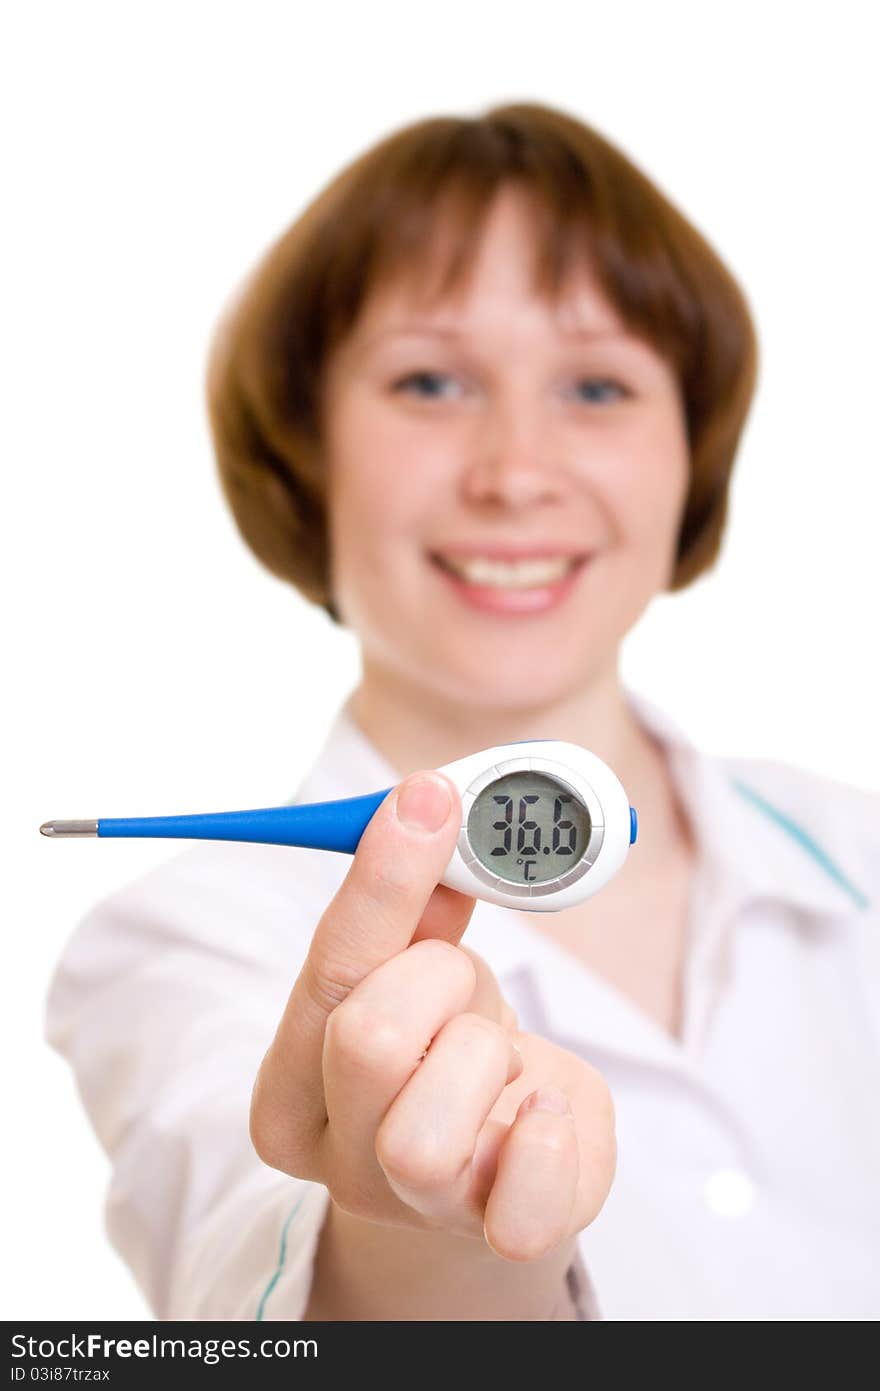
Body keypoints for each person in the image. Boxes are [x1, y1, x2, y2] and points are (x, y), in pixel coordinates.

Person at [45, 102, 880, 1322]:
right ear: (305, 449)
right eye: (429, 381)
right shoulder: (182, 944)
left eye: (596, 385)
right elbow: (256, 1286)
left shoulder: (856, 843)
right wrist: (415, 1236)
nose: (514, 470)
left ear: (689, 456)